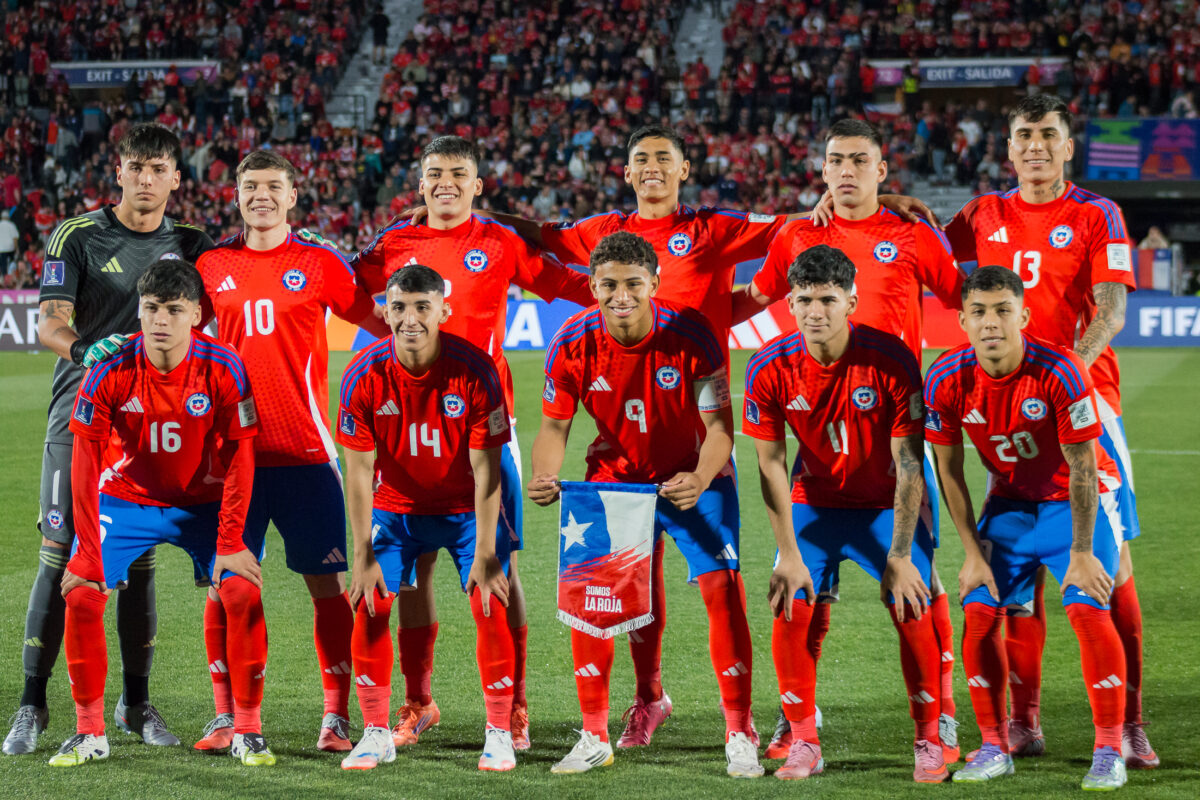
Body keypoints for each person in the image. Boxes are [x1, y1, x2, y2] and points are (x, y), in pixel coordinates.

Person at [353, 135, 593, 750]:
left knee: (498, 569)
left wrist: (638, 286)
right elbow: (347, 291)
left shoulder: (499, 241)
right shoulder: (394, 242)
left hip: (486, 430)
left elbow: (567, 285)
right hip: (404, 426)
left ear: (478, 183)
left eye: (459, 174)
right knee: (410, 573)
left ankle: (512, 706)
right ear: (421, 180)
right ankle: (417, 701)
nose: (446, 184)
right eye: (435, 173)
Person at [735, 118, 964, 762]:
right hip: (819, 439)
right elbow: (756, 297)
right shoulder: (798, 233)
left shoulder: (911, 232)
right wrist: (680, 324)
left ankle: (941, 715)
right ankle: (797, 722)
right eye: (835, 159)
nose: (845, 171)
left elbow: (964, 298)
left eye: (859, 161)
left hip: (894, 425)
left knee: (919, 585)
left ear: (882, 170)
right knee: (809, 585)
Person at [944, 94, 1154, 768]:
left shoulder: (1097, 213)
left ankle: (1130, 726)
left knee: (1111, 570)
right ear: (1008, 148)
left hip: (1088, 400)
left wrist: (1061, 375)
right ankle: (1024, 723)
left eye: (1048, 135)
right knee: (1017, 567)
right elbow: (932, 264)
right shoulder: (983, 214)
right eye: (1023, 135)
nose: (1035, 145)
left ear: (1069, 146)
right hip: (1007, 403)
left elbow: (1113, 310)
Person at [5, 123, 213, 756]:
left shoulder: (194, 244)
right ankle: (32, 705)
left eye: (157, 169)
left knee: (139, 557)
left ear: (176, 179)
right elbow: (49, 320)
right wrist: (83, 349)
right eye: (134, 167)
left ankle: (136, 703)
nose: (145, 179)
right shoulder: (78, 235)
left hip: (153, 427)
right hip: (83, 417)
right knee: (62, 551)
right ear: (118, 171)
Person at [527, 232, 762, 778]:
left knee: (723, 592)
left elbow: (720, 428)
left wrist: (702, 475)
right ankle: (597, 731)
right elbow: (554, 427)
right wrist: (544, 471)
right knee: (595, 605)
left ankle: (739, 728)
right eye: (608, 284)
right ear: (593, 287)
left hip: (695, 478)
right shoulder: (570, 342)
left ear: (654, 283)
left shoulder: (692, 333)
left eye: (634, 283)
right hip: (612, 484)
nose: (621, 295)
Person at [193, 149, 389, 753]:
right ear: (237, 195)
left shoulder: (319, 261)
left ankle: (336, 716)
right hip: (231, 462)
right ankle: (227, 716)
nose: (261, 197)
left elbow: (381, 324)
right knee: (227, 587)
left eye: (273, 187)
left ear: (293, 195)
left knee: (329, 588)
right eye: (251, 187)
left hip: (306, 454)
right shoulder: (210, 264)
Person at [52, 259, 270, 767]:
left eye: (174, 310)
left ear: (196, 313)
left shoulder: (224, 365)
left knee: (240, 588)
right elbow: (84, 464)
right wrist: (86, 551)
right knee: (82, 593)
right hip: (126, 500)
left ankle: (248, 729)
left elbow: (241, 456)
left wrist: (232, 539)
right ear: (140, 310)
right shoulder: (109, 368)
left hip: (203, 503)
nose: (160, 321)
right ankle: (90, 733)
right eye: (151, 309)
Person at [743, 244, 949, 782]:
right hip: (816, 503)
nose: (816, 311)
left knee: (912, 603)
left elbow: (909, 464)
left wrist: (902, 554)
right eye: (806, 299)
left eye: (828, 300)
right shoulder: (768, 368)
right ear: (789, 302)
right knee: (790, 603)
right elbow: (769, 466)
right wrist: (788, 553)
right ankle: (803, 740)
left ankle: (930, 735)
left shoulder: (892, 358)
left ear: (852, 301)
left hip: (886, 503)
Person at [925, 265, 1128, 790]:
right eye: (978, 312)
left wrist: (1083, 551)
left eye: (1002, 310)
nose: (990, 322)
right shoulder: (945, 378)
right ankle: (996, 745)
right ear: (962, 320)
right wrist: (972, 552)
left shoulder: (1059, 370)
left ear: (1024, 315)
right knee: (978, 608)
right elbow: (948, 472)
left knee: (1087, 605)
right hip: (1011, 505)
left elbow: (1083, 466)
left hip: (1074, 502)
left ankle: (1109, 748)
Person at [336, 264, 518, 772]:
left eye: (422, 307)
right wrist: (363, 554)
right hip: (396, 511)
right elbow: (356, 474)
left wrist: (485, 553)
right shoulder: (363, 374)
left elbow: (487, 471)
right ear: (386, 311)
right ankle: (374, 733)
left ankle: (499, 731)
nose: (409, 318)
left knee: (489, 600)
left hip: (464, 511)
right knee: (370, 602)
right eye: (398, 307)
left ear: (444, 309)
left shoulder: (475, 369)